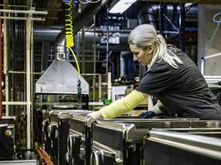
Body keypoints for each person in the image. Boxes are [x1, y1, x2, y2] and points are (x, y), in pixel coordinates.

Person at [89, 24, 221, 120]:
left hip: (205, 122)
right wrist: (155, 110)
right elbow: (175, 91)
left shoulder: (163, 66)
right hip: (204, 118)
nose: (135, 59)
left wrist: (98, 115)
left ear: (150, 48)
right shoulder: (170, 52)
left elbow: (128, 103)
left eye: (136, 53)